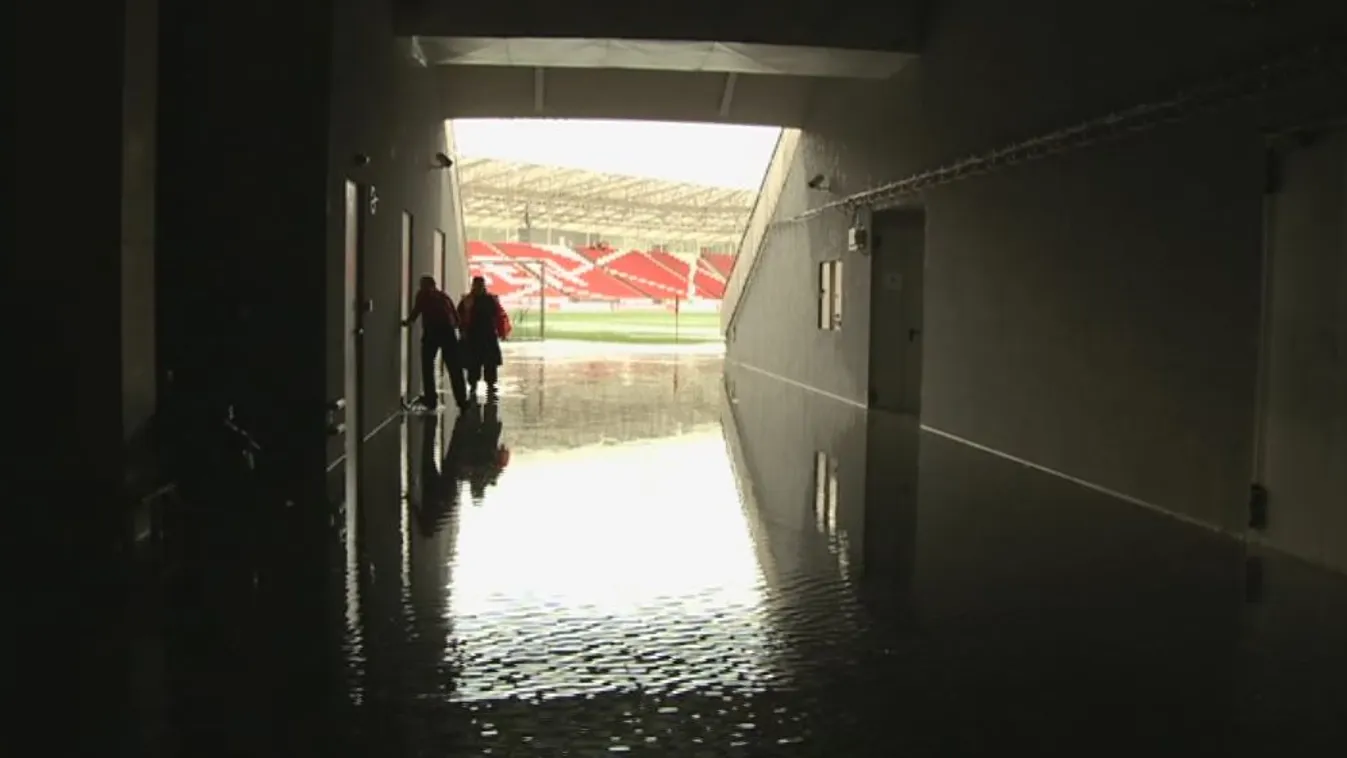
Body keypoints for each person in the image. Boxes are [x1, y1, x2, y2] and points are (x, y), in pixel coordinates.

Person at [402, 276, 468, 411]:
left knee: (427, 365)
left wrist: (408, 322)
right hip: (448, 333)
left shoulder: (423, 295)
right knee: (454, 367)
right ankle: (462, 401)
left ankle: (431, 399)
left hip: (432, 333)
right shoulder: (443, 296)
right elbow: (456, 317)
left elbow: (416, 310)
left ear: (425, 285)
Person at [457, 276, 511, 403]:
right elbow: (459, 317)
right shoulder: (469, 300)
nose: (479, 288)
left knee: (489, 363)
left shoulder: (488, 300)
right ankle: (474, 385)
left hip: (487, 336)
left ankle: (489, 386)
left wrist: (501, 332)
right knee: (473, 364)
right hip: (474, 336)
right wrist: (462, 331)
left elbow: (498, 316)